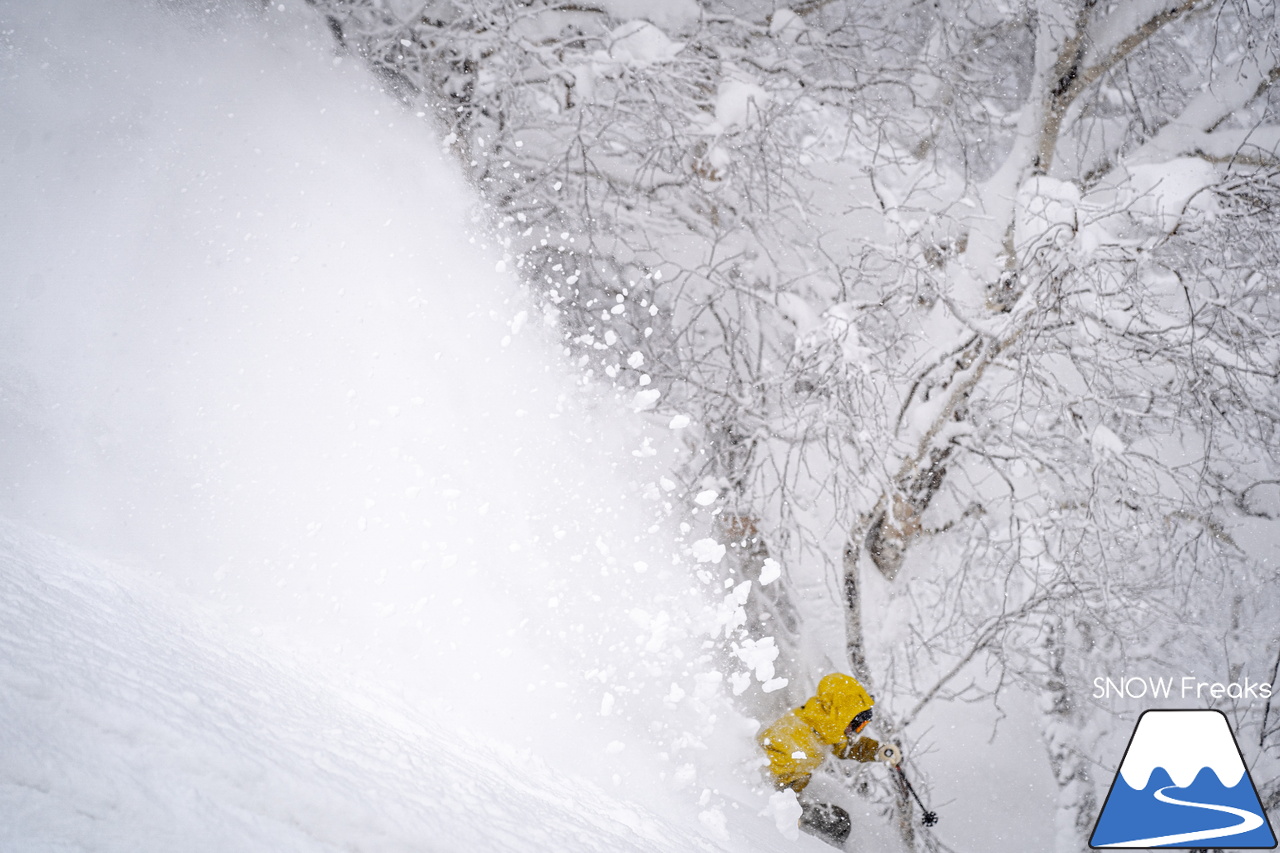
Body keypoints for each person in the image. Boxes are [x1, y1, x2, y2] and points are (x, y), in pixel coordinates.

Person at [757, 673, 902, 847]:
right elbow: (771, 776)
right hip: (772, 804)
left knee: (837, 819)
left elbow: (847, 747)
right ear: (843, 716)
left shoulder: (823, 725)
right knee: (838, 823)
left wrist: (879, 751)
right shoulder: (795, 734)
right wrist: (789, 813)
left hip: (788, 798)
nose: (857, 732)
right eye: (858, 725)